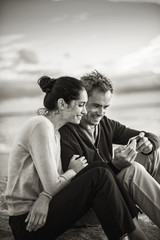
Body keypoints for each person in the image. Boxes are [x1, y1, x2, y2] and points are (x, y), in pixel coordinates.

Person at [5, 75, 148, 240]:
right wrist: (72, 171)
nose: (85, 111)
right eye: (81, 105)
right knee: (99, 174)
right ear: (62, 104)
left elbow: (53, 184)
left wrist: (45, 197)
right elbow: (53, 186)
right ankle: (131, 235)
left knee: (99, 168)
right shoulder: (40, 125)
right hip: (29, 222)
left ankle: (133, 231)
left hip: (43, 211)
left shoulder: (55, 133)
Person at [60, 70, 160, 229]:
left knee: (153, 153)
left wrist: (149, 144)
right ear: (82, 101)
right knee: (132, 171)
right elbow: (84, 186)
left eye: (106, 106)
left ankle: (149, 203)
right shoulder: (66, 134)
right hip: (91, 207)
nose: (101, 113)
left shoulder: (105, 124)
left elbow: (150, 136)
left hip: (113, 193)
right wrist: (115, 165)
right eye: (96, 106)